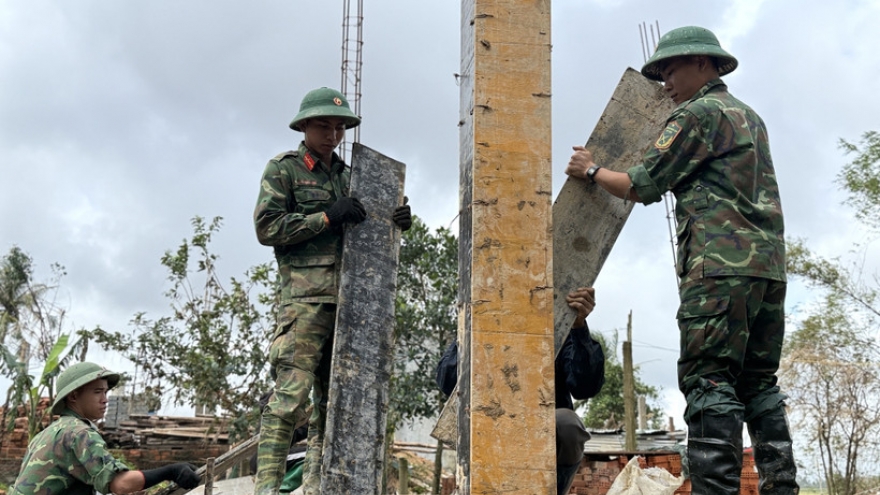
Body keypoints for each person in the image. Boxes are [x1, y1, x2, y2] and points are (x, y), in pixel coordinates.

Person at [565, 26, 797, 495]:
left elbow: (641, 184)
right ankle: (782, 487)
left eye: (671, 70)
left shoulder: (697, 114)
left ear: (704, 64)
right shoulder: (749, 116)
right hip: (767, 270)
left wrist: (589, 170)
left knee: (709, 379)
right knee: (759, 383)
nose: (665, 82)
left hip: (718, 271)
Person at [253, 86, 412, 495]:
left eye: (340, 127)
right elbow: (268, 228)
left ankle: (313, 488)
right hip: (305, 302)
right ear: (304, 126)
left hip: (351, 303)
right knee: (289, 399)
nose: (333, 134)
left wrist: (394, 220)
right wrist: (325, 217)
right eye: (324, 125)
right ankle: (266, 489)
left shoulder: (351, 176)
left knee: (333, 408)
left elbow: (368, 229)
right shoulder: (284, 169)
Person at [436, 287, 605, 495]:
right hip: (492, 431)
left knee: (568, 424)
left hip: (544, 439)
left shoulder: (556, 327)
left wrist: (578, 325)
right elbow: (448, 381)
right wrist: (473, 324)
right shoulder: (485, 322)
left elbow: (585, 386)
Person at [10, 362, 201, 495]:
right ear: (74, 397)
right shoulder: (79, 433)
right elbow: (120, 484)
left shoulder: (48, 433)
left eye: (106, 392)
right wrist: (171, 471)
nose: (105, 399)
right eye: (97, 392)